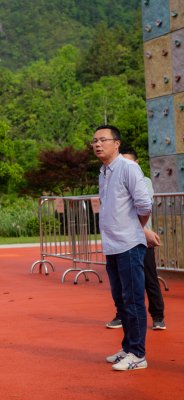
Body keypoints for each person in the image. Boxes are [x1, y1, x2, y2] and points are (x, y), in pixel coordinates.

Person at [92, 125, 153, 371]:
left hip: (128, 244)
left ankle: (138, 354)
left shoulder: (128, 168)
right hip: (112, 246)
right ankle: (128, 348)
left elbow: (144, 204)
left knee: (133, 299)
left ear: (116, 143)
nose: (97, 144)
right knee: (121, 300)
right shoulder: (103, 172)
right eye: (94, 141)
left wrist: (137, 228)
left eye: (102, 140)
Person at [105, 147, 166, 331]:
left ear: (136, 163)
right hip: (121, 241)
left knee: (149, 278)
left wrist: (143, 230)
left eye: (129, 161)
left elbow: (141, 205)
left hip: (140, 238)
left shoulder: (142, 180)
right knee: (121, 283)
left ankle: (158, 316)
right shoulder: (109, 177)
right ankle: (121, 315)